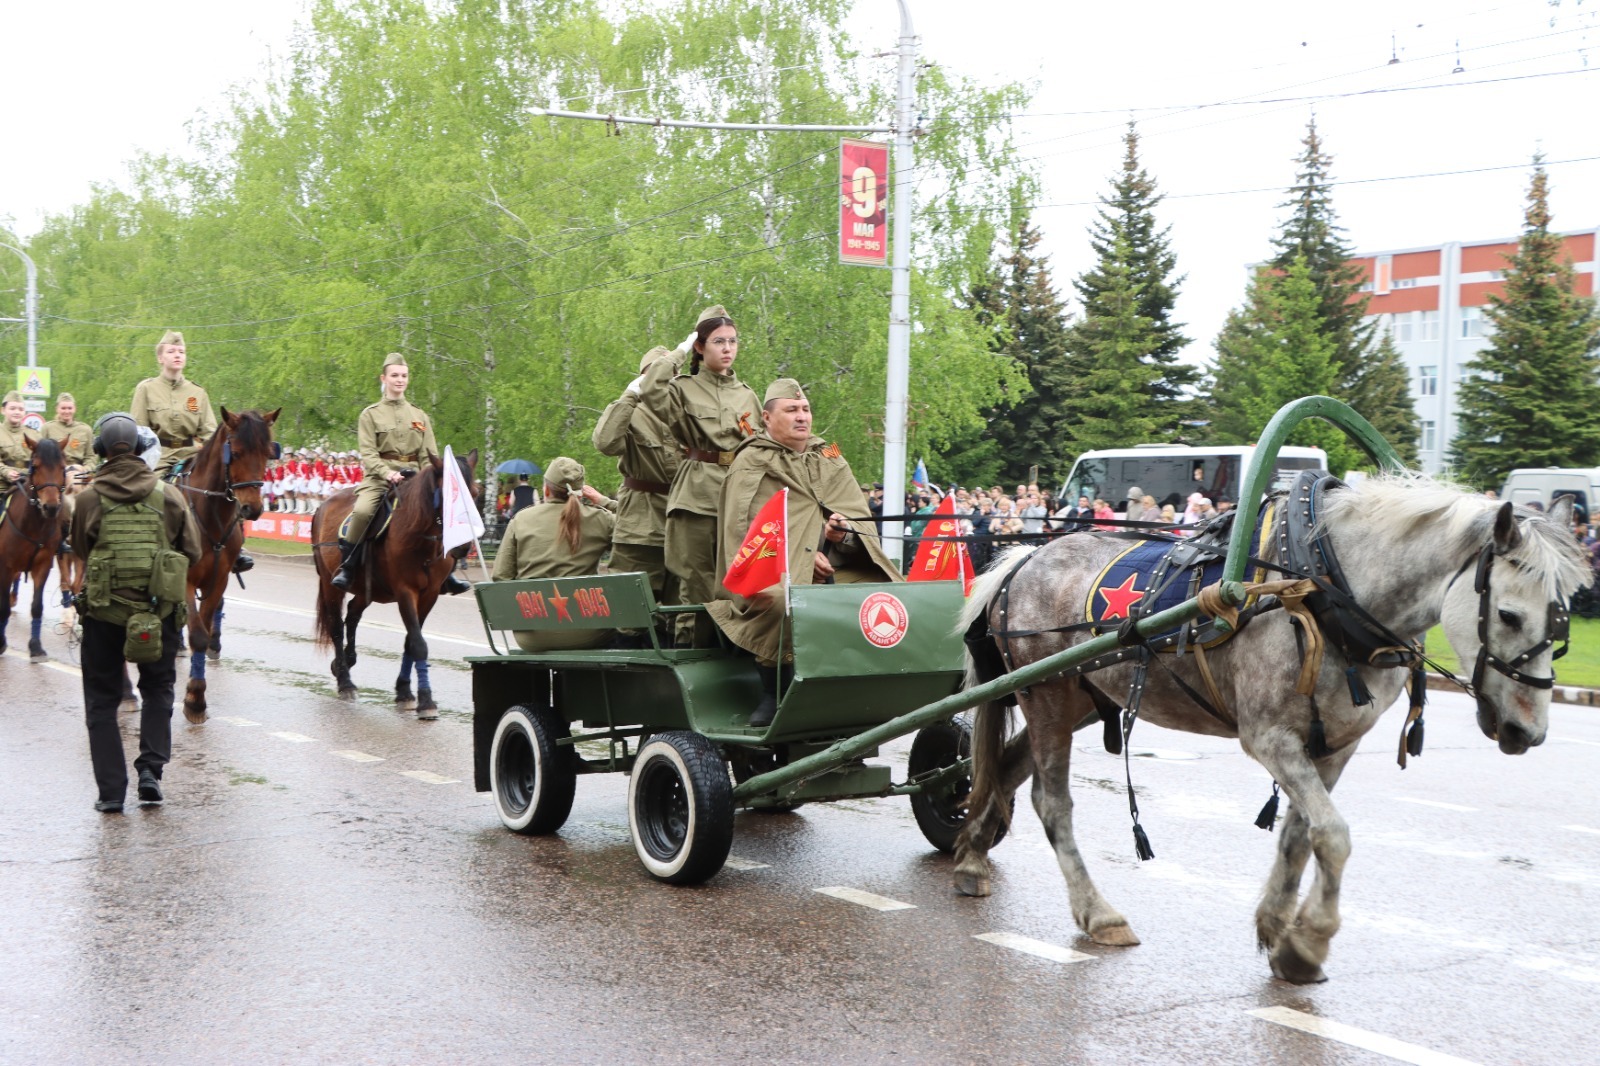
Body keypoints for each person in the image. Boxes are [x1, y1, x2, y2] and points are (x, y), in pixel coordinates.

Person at [707, 379, 901, 726]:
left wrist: (840, 536)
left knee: (885, 595)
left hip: (836, 566)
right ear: (767, 418)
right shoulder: (751, 461)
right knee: (780, 600)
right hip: (771, 572)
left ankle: (868, 682)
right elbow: (743, 535)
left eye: (806, 410)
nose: (802, 417)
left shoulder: (830, 455)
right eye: (791, 410)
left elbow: (858, 518)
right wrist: (798, 557)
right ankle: (773, 689)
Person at [70, 412, 202, 813]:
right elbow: (193, 552)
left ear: (101, 452)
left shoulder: (90, 497)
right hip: (158, 614)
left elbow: (79, 548)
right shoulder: (169, 494)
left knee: (101, 701)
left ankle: (111, 793)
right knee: (158, 689)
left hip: (104, 617)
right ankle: (151, 771)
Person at [638, 305, 760, 645]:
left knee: (735, 581)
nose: (727, 348)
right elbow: (649, 389)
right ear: (700, 346)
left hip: (738, 494)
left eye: (733, 341)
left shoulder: (747, 394)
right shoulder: (683, 388)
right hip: (696, 494)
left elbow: (760, 445)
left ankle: (734, 650)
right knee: (695, 583)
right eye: (718, 341)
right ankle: (691, 651)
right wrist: (678, 350)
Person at [331, 351, 470, 595]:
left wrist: (428, 478)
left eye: (404, 375)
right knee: (363, 512)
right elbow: (368, 453)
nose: (400, 380)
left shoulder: (419, 415)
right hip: (380, 479)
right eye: (394, 375)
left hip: (416, 480)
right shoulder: (370, 414)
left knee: (441, 512)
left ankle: (448, 572)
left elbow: (430, 455)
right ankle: (348, 567)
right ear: (383, 378)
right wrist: (387, 473)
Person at [130, 331, 252, 574]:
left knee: (223, 488)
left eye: (181, 352)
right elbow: (138, 430)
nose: (177, 355)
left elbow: (209, 432)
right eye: (171, 351)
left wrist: (211, 457)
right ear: (160, 358)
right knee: (145, 493)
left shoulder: (197, 393)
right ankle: (141, 546)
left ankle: (235, 546)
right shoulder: (146, 389)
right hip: (158, 456)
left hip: (192, 455)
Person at [593, 344, 683, 641]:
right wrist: (630, 396)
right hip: (640, 526)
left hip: (684, 521)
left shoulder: (688, 414)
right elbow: (605, 443)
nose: (664, 381)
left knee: (682, 613)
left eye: (671, 374)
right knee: (630, 612)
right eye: (655, 375)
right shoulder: (631, 413)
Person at [492, 457, 617, 652]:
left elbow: (501, 576)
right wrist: (605, 502)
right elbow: (637, 528)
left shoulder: (521, 519)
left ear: (546, 489)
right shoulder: (602, 519)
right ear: (582, 491)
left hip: (532, 636)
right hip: (588, 633)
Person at [0, 390, 38, 500]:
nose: (17, 412)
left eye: (21, 409)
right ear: (3, 410)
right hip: (3, 486)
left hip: (28, 484)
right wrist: (7, 473)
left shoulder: (34, 434)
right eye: (12, 408)